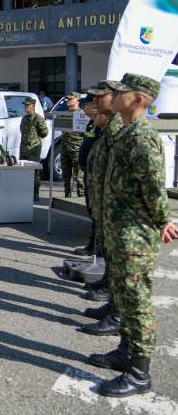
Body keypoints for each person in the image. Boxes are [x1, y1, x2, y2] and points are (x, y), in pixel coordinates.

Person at [88, 73, 177, 398]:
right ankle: (126, 351)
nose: (116, 95)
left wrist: (163, 221)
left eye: (123, 91)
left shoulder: (141, 136)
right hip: (120, 229)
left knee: (137, 301)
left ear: (138, 99)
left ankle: (139, 373)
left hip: (135, 234)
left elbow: (154, 188)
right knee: (125, 297)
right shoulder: (126, 132)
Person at [80, 82, 122, 336]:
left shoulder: (120, 130)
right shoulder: (105, 127)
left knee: (123, 271)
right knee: (112, 261)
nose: (92, 104)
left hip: (117, 212)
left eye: (99, 98)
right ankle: (112, 306)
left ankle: (117, 316)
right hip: (104, 204)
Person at [74, 94, 101, 257]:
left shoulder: (103, 124)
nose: (83, 109)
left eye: (85, 106)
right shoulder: (93, 123)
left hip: (97, 176)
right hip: (89, 174)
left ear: (93, 104)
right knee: (92, 211)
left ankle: (98, 248)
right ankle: (94, 244)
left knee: (98, 212)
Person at [18, 98, 48, 201]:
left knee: (35, 172)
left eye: (28, 105)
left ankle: (35, 192)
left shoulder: (38, 119)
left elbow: (44, 133)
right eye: (25, 105)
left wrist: (34, 139)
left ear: (33, 106)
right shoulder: (24, 119)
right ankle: (24, 191)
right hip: (23, 149)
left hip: (34, 149)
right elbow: (21, 130)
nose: (26, 107)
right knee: (22, 171)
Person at [61, 92, 85, 197]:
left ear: (77, 100)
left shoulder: (83, 115)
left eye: (71, 99)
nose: (68, 101)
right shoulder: (64, 114)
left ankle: (81, 197)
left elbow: (88, 133)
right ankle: (67, 195)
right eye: (67, 99)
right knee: (66, 175)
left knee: (79, 176)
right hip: (65, 149)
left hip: (77, 149)